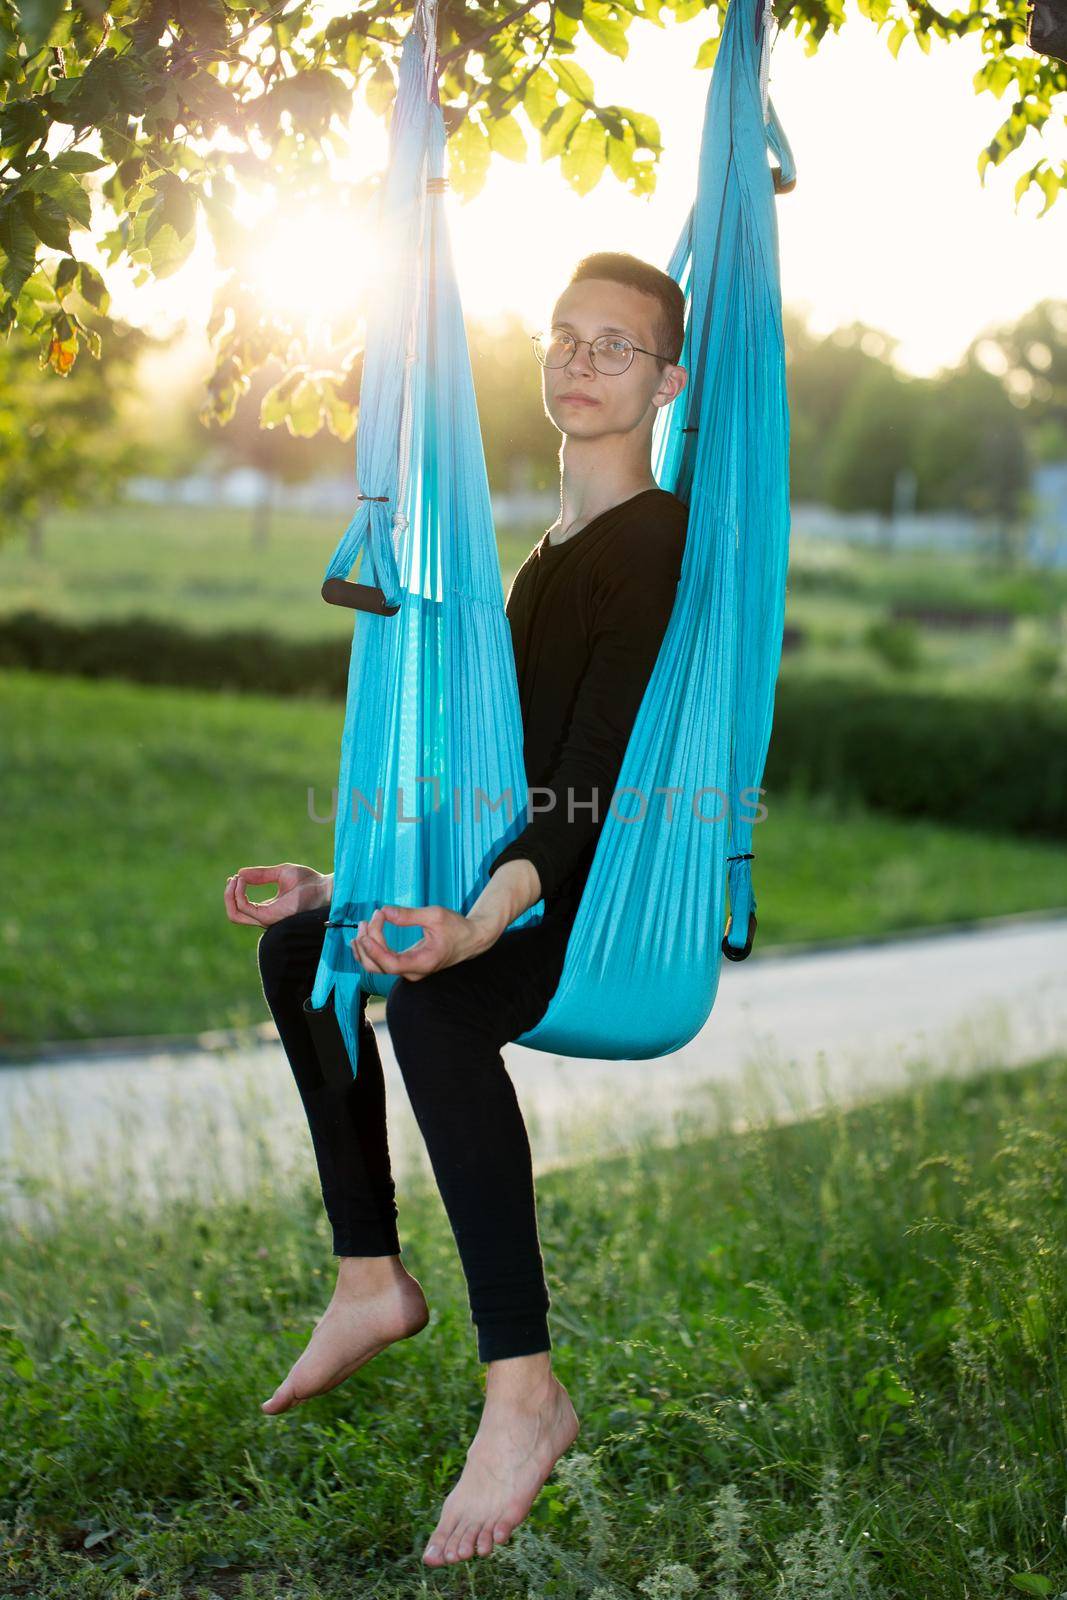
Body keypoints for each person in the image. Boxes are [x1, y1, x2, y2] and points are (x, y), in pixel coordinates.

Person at [223, 250, 690, 1568]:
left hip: (592, 908)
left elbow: (587, 782)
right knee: (305, 946)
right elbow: (497, 775)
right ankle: (370, 1279)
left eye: (618, 345)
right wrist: (358, 888)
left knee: (432, 1013)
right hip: (509, 883)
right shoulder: (547, 552)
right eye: (567, 336)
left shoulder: (651, 543)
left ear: (670, 379)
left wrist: (478, 927)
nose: (583, 363)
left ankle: (525, 1390)